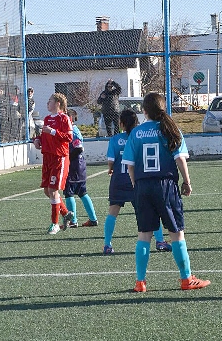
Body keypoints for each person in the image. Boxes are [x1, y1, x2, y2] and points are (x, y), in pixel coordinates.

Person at [121, 92, 210, 292]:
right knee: (176, 233)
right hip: (165, 185)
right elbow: (180, 159)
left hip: (143, 186)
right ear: (163, 109)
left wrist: (137, 187)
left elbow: (130, 166)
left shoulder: (136, 132)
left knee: (144, 235)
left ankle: (140, 282)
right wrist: (187, 182)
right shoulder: (170, 129)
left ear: (144, 111)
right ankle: (186, 279)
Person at [103, 108, 172, 255]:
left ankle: (107, 244)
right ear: (137, 122)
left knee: (112, 213)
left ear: (121, 124)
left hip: (118, 181)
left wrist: (111, 169)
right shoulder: (138, 137)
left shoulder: (114, 140)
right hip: (136, 180)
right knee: (150, 211)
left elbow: (111, 161)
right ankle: (159, 241)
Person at [33, 92, 74, 234]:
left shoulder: (64, 118)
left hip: (59, 158)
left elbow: (69, 137)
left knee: (53, 190)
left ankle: (55, 224)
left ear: (57, 103)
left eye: (50, 101)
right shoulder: (47, 118)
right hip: (47, 158)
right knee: (47, 190)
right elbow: (44, 135)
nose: (47, 103)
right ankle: (65, 213)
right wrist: (38, 140)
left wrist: (53, 132)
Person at [62, 109, 98, 229]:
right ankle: (93, 219)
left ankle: (73, 221)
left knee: (69, 192)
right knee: (82, 192)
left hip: (74, 166)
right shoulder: (72, 130)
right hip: (80, 166)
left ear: (70, 119)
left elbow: (79, 148)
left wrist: (68, 158)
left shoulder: (73, 132)